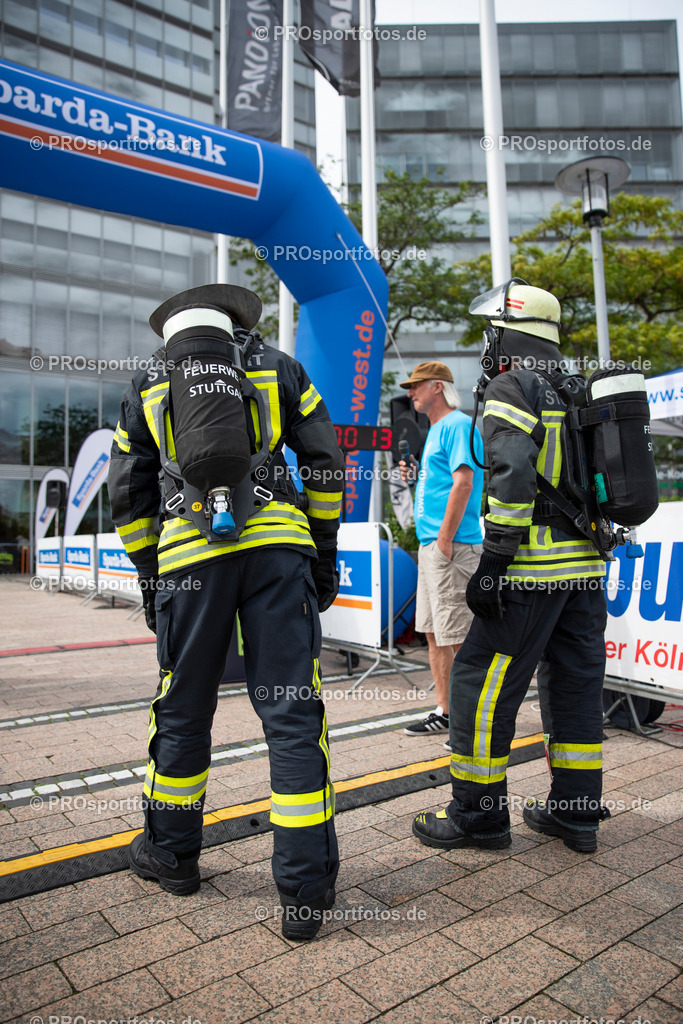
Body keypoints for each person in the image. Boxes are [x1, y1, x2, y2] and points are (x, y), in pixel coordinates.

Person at [108, 284, 345, 940]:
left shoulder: (151, 379)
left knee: (182, 711)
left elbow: (126, 493)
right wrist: (321, 552)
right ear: (239, 323)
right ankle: (304, 892)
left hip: (188, 555)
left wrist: (152, 579)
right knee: (294, 716)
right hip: (277, 549)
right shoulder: (280, 366)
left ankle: (172, 856)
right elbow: (325, 462)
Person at [412, 280, 608, 854]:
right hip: (586, 573)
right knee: (573, 688)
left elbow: (513, 478)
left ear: (506, 332)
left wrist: (493, 562)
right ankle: (576, 816)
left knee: (478, 688)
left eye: (489, 331)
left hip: (530, 572)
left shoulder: (511, 385)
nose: (484, 344)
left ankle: (478, 817)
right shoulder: (579, 389)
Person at [398, 361, 484, 738]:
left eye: (416, 386)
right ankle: (446, 712)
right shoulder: (437, 430)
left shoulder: (456, 425)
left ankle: (470, 721)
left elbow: (464, 483)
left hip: (451, 547)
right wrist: (415, 476)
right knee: (435, 633)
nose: (409, 392)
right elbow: (446, 483)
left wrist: (445, 540)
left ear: (437, 387)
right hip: (435, 546)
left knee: (459, 636)